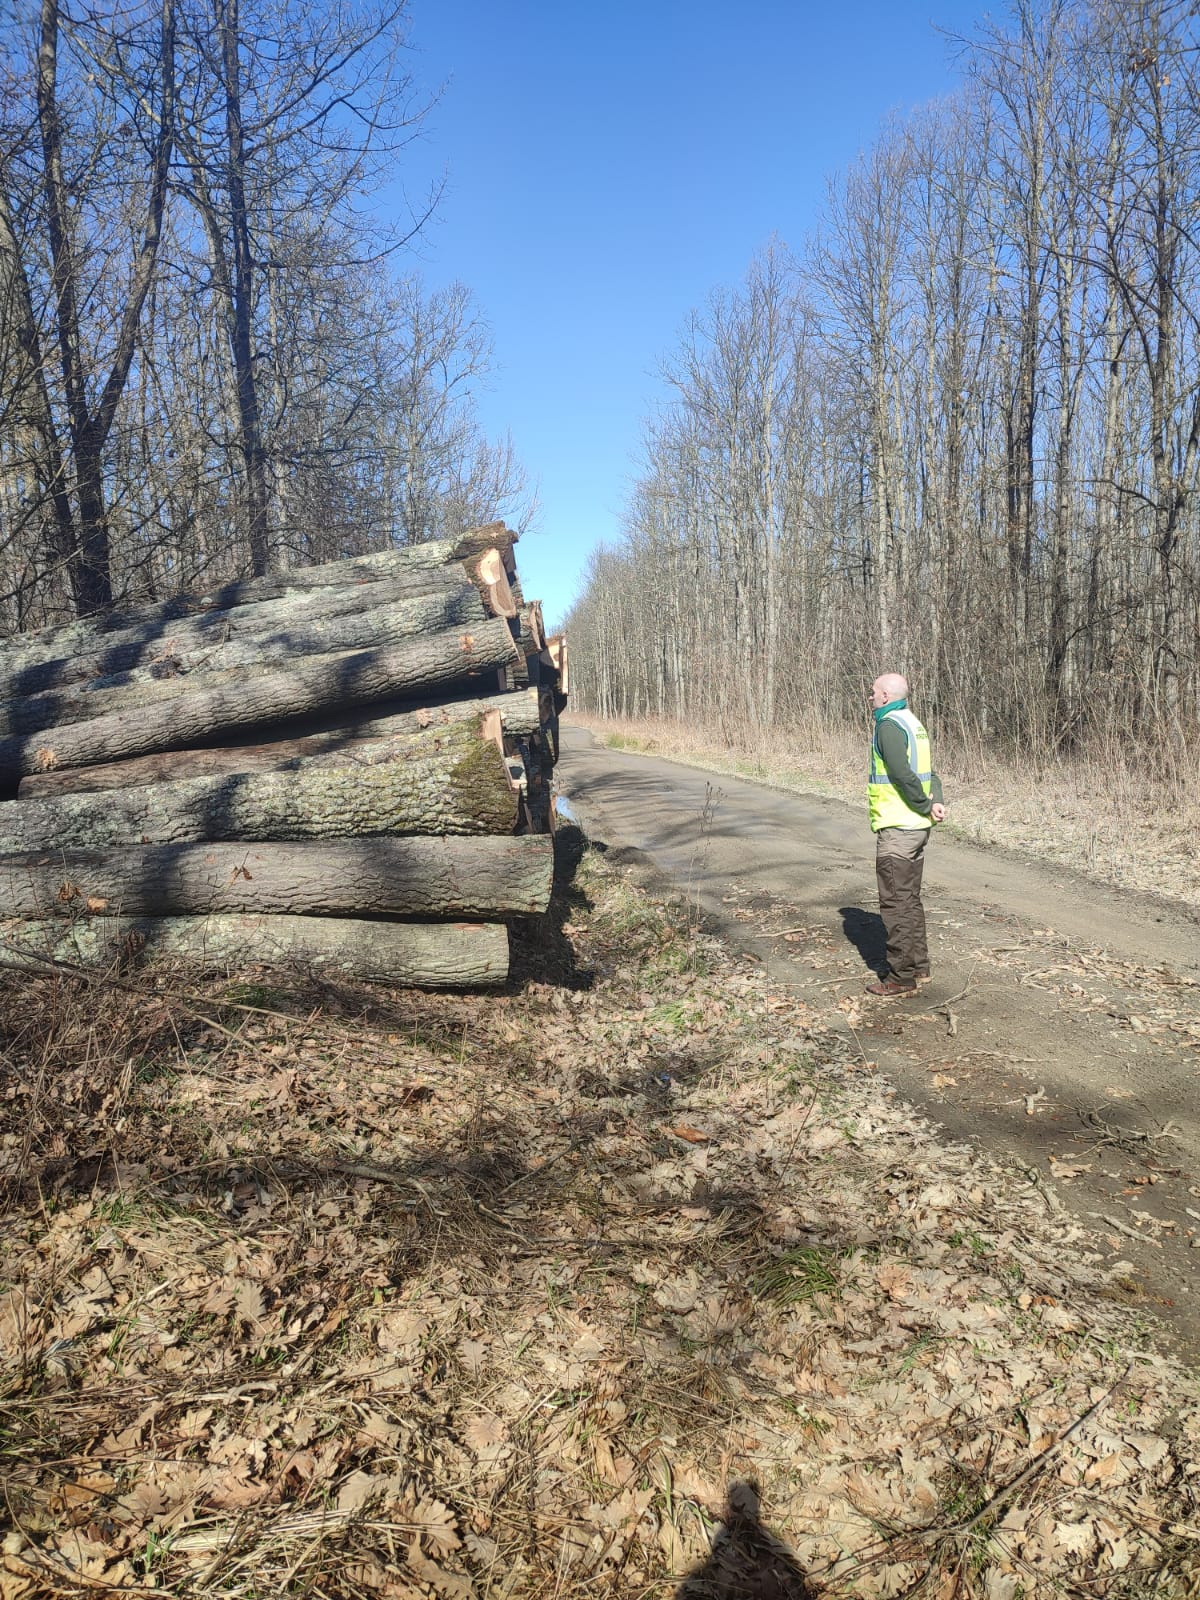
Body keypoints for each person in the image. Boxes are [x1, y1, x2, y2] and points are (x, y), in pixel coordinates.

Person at [864, 671, 946, 997]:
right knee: (909, 900)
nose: (870, 697)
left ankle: (900, 977)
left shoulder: (888, 726)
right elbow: (931, 772)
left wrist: (925, 803)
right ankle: (920, 967)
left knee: (895, 903)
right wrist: (935, 801)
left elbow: (900, 773)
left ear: (885, 696)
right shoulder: (914, 723)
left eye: (873, 693)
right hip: (917, 828)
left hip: (899, 827)